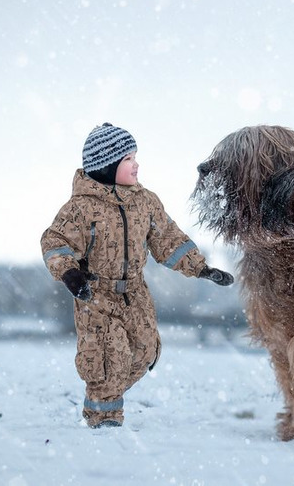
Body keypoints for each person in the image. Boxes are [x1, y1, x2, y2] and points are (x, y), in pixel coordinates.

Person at [40, 122, 235, 429]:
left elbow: (168, 239)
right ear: (107, 164)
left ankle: (108, 392)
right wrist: (70, 274)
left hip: (135, 293)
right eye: (128, 158)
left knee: (145, 350)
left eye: (135, 157)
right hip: (96, 294)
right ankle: (103, 421)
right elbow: (55, 243)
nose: (136, 164)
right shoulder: (80, 209)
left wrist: (201, 268)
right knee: (108, 356)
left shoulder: (145, 202)